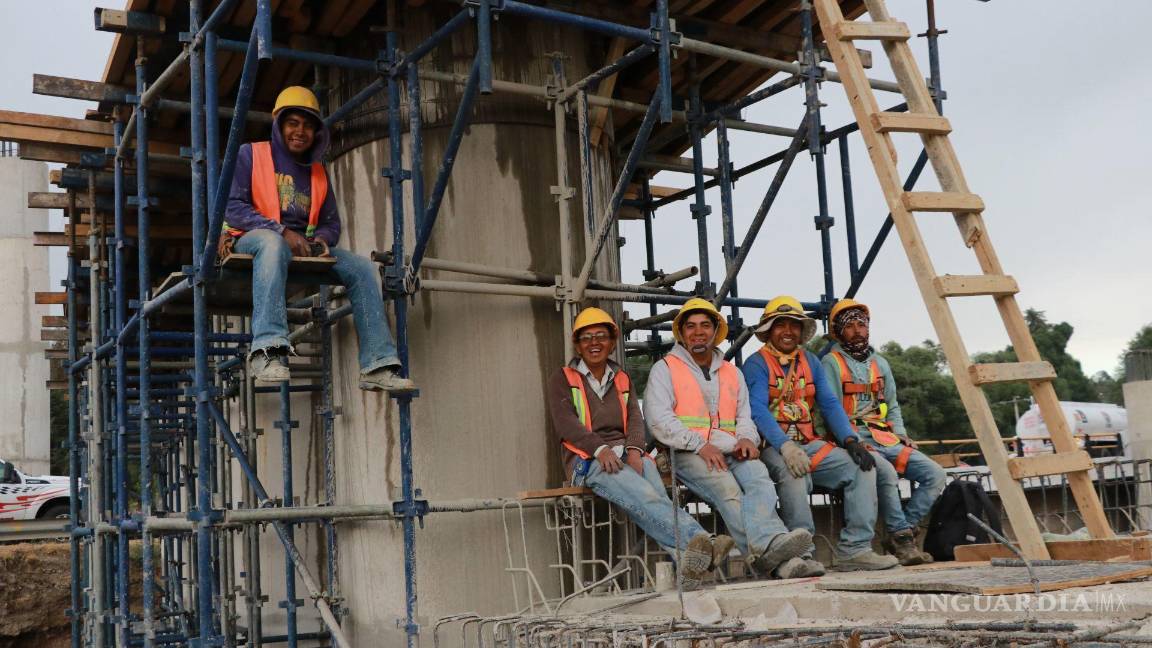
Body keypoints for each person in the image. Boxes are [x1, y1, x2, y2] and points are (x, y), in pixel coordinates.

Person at [223, 86, 412, 392]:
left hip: (301, 250)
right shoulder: (251, 154)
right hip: (251, 240)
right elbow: (233, 208)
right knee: (272, 244)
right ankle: (267, 352)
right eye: (293, 123)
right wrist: (283, 231)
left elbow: (330, 223)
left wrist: (321, 242)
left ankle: (377, 363)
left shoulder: (317, 173)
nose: (301, 131)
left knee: (362, 268)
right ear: (279, 124)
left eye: (308, 125)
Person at [547, 307, 734, 590]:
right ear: (577, 344)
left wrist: (635, 449)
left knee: (652, 490)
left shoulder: (621, 377)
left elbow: (636, 416)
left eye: (601, 336)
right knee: (646, 497)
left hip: (624, 453)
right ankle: (703, 541)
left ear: (612, 342)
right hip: (588, 460)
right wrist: (600, 450)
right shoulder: (563, 379)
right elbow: (567, 424)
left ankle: (686, 567)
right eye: (586, 338)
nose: (594, 343)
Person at [644, 298, 810, 576]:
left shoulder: (731, 372)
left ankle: (770, 552)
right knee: (728, 491)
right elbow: (659, 420)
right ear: (682, 333)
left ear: (715, 331)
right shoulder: (666, 369)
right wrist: (700, 445)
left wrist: (747, 439)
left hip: (732, 449)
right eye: (691, 327)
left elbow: (744, 416)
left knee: (759, 477)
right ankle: (776, 558)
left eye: (705, 326)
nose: (698, 332)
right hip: (687, 453)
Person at [744, 296, 899, 573]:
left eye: (794, 325)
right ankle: (802, 555)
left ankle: (855, 549)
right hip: (773, 445)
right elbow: (757, 410)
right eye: (780, 326)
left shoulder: (810, 361)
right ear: (768, 330)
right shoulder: (756, 363)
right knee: (793, 474)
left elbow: (829, 404)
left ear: (801, 331)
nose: (788, 332)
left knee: (862, 467)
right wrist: (785, 447)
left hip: (809, 443)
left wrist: (852, 441)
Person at [822, 299, 945, 565]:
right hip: (853, 438)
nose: (857, 330)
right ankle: (903, 542)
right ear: (838, 332)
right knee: (886, 473)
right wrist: (848, 440)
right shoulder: (831, 363)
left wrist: (900, 432)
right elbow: (829, 408)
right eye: (850, 326)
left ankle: (902, 531)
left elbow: (893, 404)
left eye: (861, 324)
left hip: (884, 438)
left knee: (935, 474)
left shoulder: (881, 363)